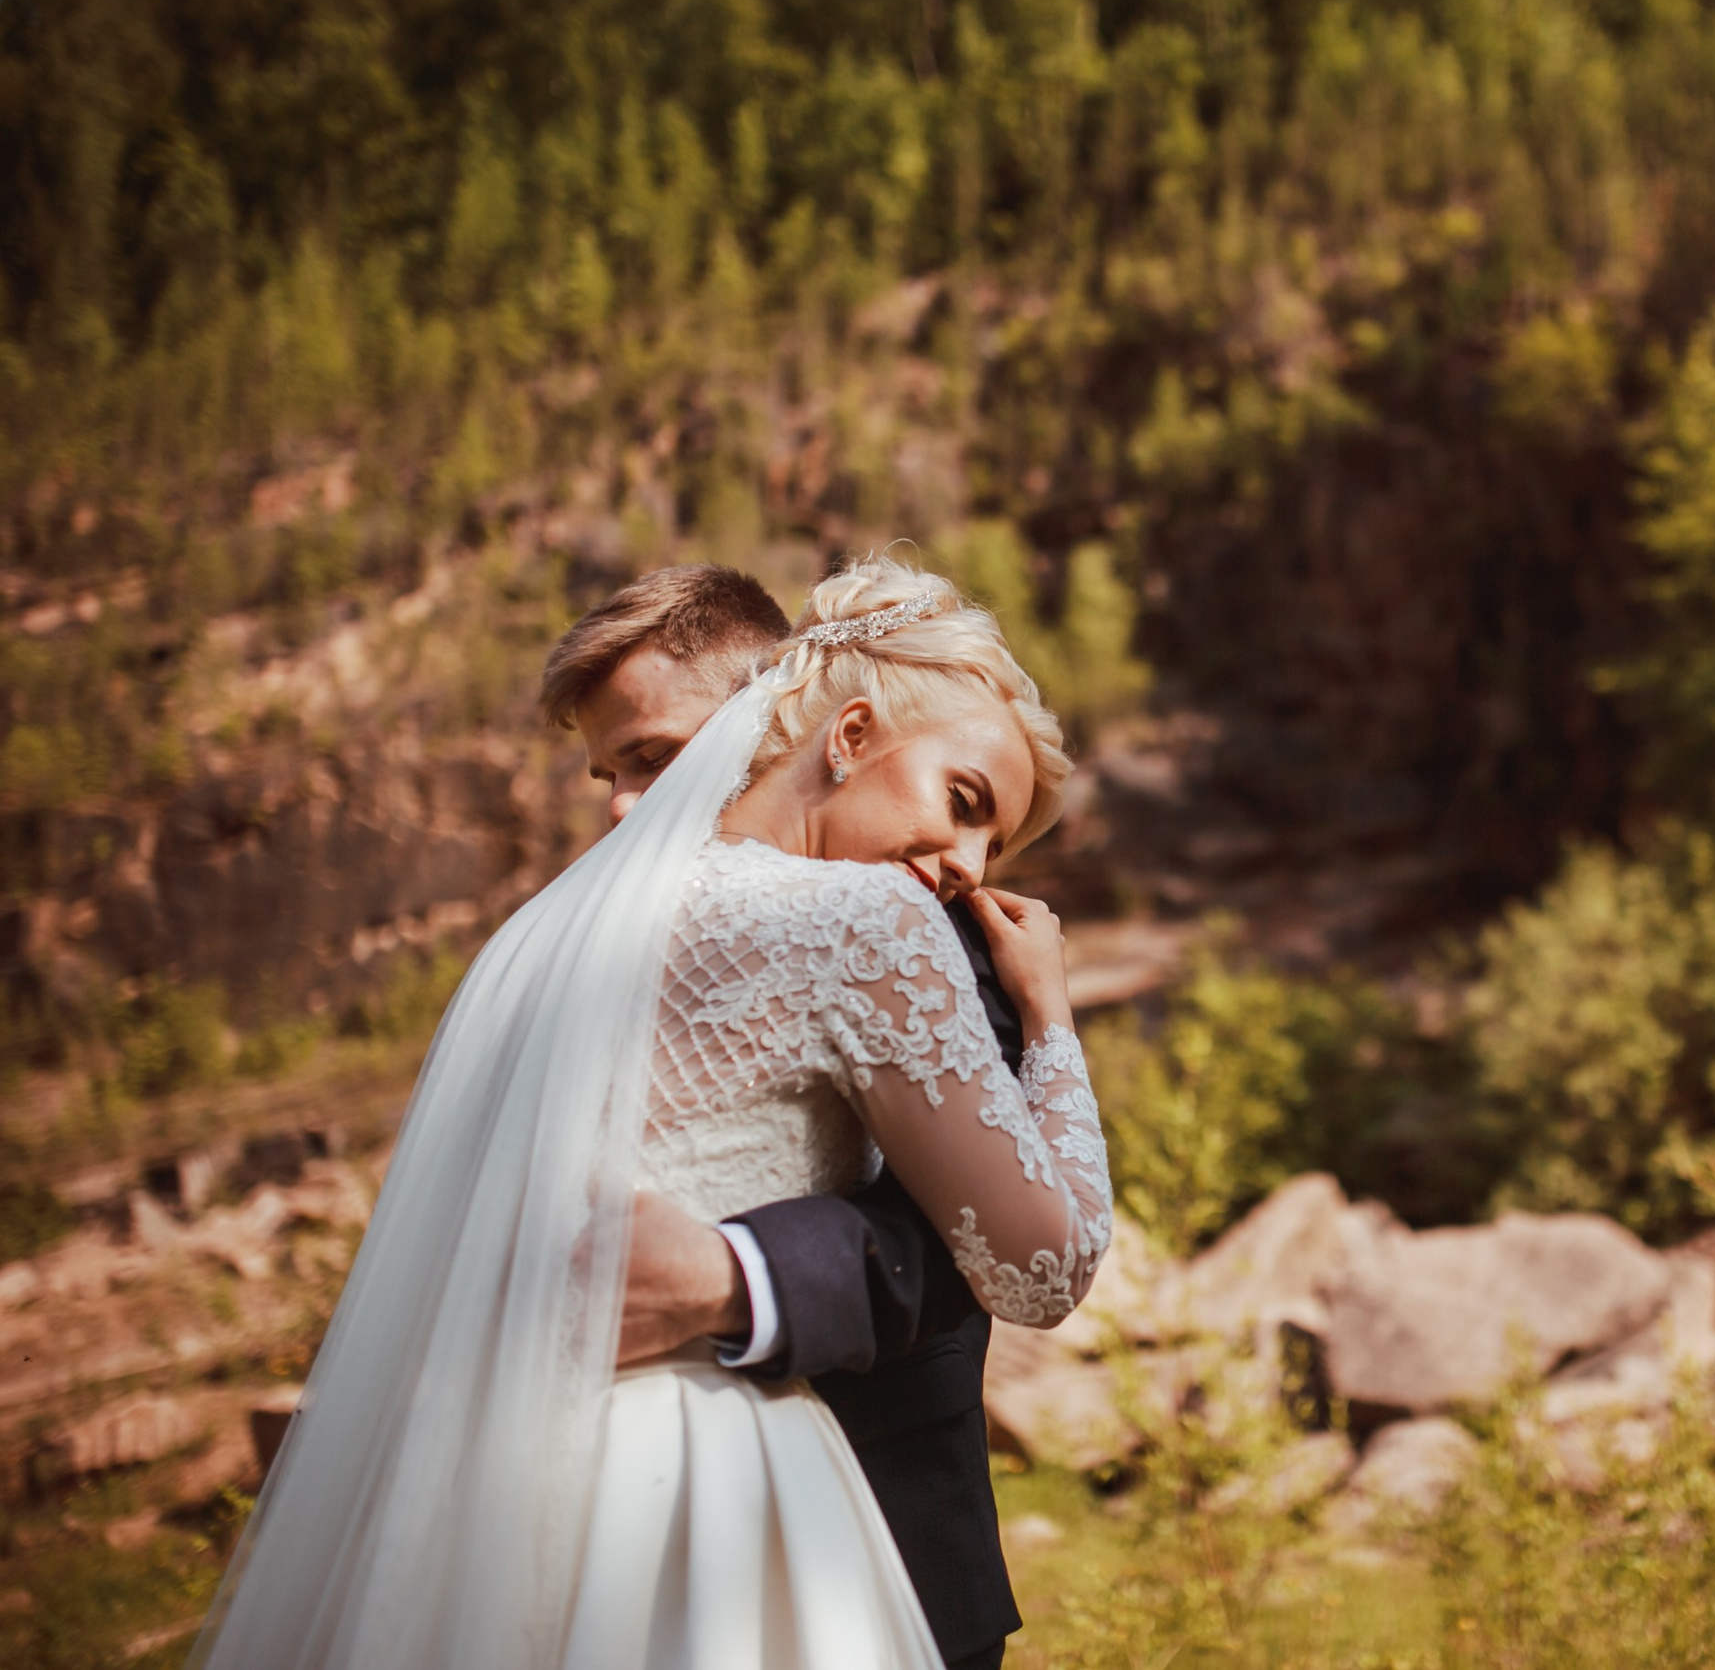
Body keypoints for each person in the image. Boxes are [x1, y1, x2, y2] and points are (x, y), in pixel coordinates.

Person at [188, 557, 1112, 1670]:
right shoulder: (872, 919)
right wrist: (1050, 1013)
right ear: (851, 733)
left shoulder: (536, 939)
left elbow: (940, 1233)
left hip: (504, 1488)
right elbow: (1040, 1264)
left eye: (656, 760)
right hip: (707, 1477)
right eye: (961, 804)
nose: (968, 868)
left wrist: (737, 1275)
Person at [538, 564, 1029, 1670]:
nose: (620, 806)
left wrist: (737, 1276)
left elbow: (979, 1234)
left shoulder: (932, 936)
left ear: (771, 727)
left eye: (655, 757)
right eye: (608, 771)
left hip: (888, 1530)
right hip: (602, 1501)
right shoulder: (589, 945)